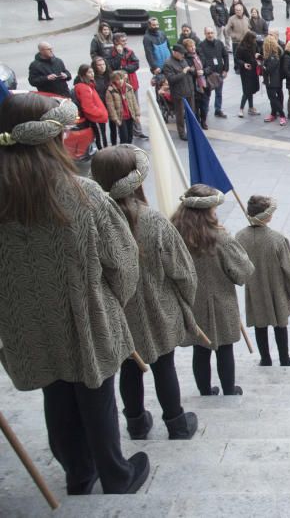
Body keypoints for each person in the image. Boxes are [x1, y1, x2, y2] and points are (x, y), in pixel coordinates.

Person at [0, 94, 150, 494]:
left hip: (30, 324)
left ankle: (78, 474)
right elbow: (122, 260)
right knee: (96, 394)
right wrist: (112, 301)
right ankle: (116, 474)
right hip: (86, 315)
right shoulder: (83, 194)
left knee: (57, 395)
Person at [90, 146, 200, 440]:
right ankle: (176, 422)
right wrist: (187, 302)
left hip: (118, 313)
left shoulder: (92, 224)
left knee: (129, 367)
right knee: (164, 365)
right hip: (158, 308)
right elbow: (182, 270)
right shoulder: (153, 220)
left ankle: (136, 423)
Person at [171, 185, 255, 396]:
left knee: (200, 349)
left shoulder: (174, 233)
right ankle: (229, 389)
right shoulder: (220, 238)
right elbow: (243, 271)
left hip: (191, 301)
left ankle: (205, 390)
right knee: (224, 348)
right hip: (220, 301)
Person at [235, 195, 290, 367]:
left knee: (260, 323)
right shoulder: (277, 240)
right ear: (267, 216)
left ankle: (265, 358)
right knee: (280, 324)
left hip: (254, 287)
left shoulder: (240, 237)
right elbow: (289, 269)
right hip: (276, 287)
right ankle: (284, 358)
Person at [163, 43, 196, 140]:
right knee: (180, 114)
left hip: (189, 90)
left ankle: (192, 130)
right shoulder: (168, 64)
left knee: (191, 112)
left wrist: (191, 70)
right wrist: (183, 72)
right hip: (178, 93)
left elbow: (188, 74)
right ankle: (182, 133)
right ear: (175, 53)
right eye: (181, 54)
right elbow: (171, 79)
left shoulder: (183, 60)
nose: (183, 55)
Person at [74, 63, 110, 149]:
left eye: (92, 72)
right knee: (101, 139)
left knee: (101, 138)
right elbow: (88, 107)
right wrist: (101, 113)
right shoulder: (84, 88)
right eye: (89, 72)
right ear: (83, 74)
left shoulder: (88, 85)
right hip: (96, 118)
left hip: (97, 118)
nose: (92, 74)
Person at [198, 26, 229, 119]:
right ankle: (205, 111)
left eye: (212, 33)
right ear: (205, 34)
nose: (210, 35)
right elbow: (201, 60)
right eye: (208, 33)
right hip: (209, 74)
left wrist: (225, 69)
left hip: (219, 73)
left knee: (219, 93)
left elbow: (225, 56)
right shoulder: (201, 45)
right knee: (207, 94)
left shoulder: (219, 43)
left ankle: (218, 109)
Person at [105, 69, 139, 145]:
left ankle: (129, 149)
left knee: (130, 136)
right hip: (121, 117)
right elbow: (111, 107)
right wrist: (115, 119)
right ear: (113, 80)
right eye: (117, 79)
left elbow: (134, 101)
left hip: (130, 115)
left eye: (121, 79)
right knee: (124, 137)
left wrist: (137, 114)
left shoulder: (128, 87)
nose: (120, 81)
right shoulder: (110, 91)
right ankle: (123, 152)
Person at [261, 35, 286, 125]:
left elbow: (268, 69)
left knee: (273, 98)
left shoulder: (272, 56)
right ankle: (273, 113)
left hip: (272, 81)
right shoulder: (272, 55)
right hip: (272, 80)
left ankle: (282, 115)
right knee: (272, 98)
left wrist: (262, 66)